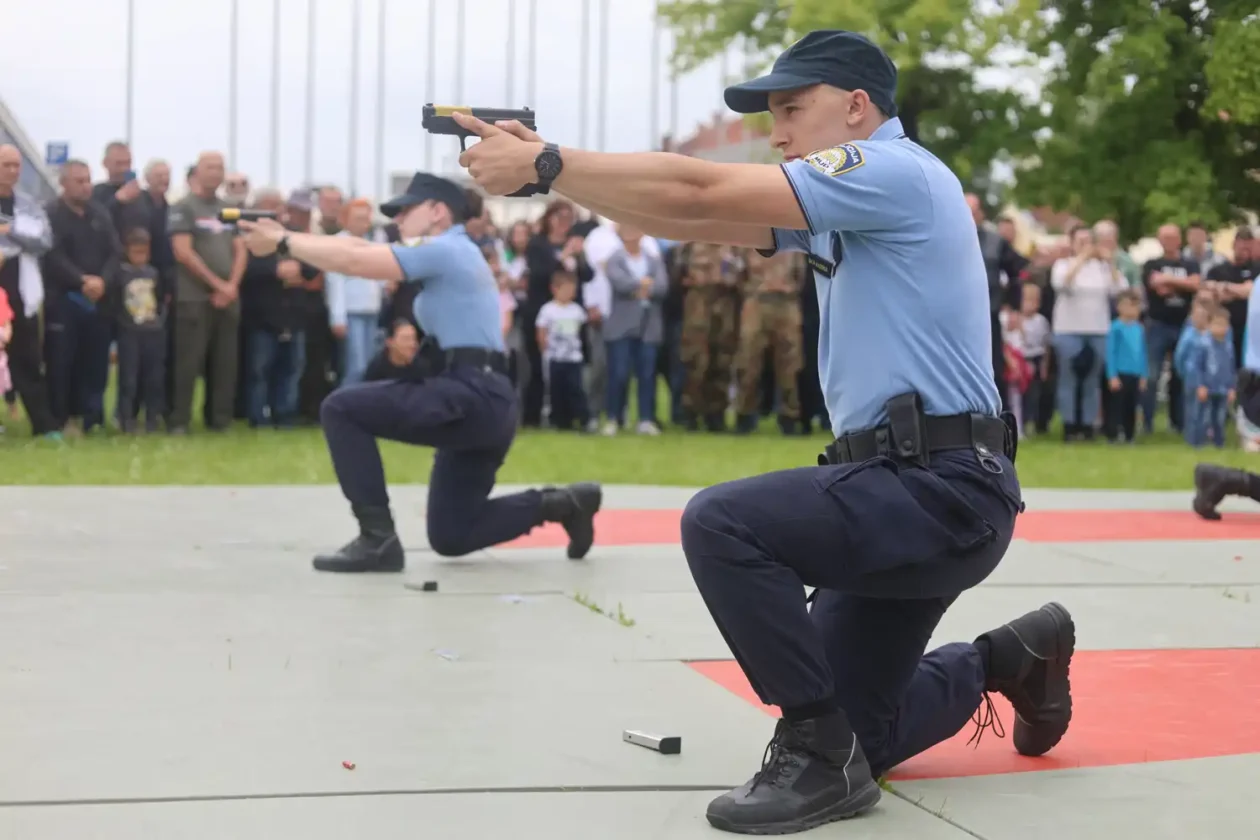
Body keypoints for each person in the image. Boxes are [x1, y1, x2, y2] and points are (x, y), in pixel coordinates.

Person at [453, 28, 1075, 836]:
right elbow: (686, 216)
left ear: (857, 109)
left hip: (937, 489)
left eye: (792, 108)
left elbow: (704, 191)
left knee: (724, 521)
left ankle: (817, 758)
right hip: (911, 495)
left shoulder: (892, 170)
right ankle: (1009, 658)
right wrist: (554, 174)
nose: (777, 131)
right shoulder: (859, 197)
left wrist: (550, 165)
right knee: (870, 733)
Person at [235, 173, 602, 570]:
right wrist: (285, 235)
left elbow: (357, 261)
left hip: (472, 394)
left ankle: (377, 539)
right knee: (451, 535)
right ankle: (566, 504)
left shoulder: (447, 249)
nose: (398, 220)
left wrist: (284, 242)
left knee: (341, 408)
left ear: (438, 212)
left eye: (407, 210)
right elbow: (357, 245)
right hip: (484, 399)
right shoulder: (452, 250)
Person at [114, 228, 168, 433]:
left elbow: (161, 298)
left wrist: (159, 320)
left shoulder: (153, 273)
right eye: (136, 252)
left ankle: (152, 418)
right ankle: (126, 418)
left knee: (153, 377)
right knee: (129, 378)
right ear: (127, 251)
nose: (140, 257)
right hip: (129, 331)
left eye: (144, 252)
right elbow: (116, 302)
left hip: (153, 331)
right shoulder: (121, 274)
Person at [1183, 305, 1236, 448]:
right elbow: (1196, 367)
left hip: (1222, 389)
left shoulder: (1228, 347)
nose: (1221, 328)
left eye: (1224, 325)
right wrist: (1200, 385)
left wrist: (1232, 387)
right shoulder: (1203, 344)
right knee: (1201, 416)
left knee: (1219, 418)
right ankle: (1196, 442)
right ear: (1209, 324)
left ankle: (1219, 443)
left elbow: (1231, 368)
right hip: (1206, 387)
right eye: (1217, 324)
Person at [1103, 289, 1147, 443]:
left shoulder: (1139, 328)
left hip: (1134, 373)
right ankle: (1114, 433)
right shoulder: (1115, 328)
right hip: (1120, 372)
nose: (1132, 310)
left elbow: (1142, 353)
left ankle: (1130, 434)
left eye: (1135, 306)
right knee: (1117, 405)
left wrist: (1143, 375)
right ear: (1119, 307)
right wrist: (1112, 375)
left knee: (1131, 405)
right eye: (1129, 306)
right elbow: (1111, 352)